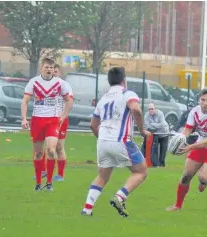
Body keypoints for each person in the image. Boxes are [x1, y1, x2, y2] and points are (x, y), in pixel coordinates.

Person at [81, 67, 151, 217]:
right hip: (121, 141)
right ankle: (120, 197)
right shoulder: (127, 93)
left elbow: (93, 125)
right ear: (124, 80)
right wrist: (142, 130)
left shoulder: (103, 98)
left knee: (102, 176)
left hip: (102, 142)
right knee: (141, 171)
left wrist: (103, 139)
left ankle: (87, 209)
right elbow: (136, 110)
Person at [166, 88, 207, 211]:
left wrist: (189, 147)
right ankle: (177, 206)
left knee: (203, 178)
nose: (205, 103)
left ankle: (203, 181)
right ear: (199, 100)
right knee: (185, 177)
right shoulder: (194, 111)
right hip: (200, 145)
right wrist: (181, 139)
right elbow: (187, 130)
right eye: (203, 100)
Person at [21, 58, 72, 191]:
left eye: (51, 67)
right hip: (37, 120)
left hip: (53, 121)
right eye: (47, 67)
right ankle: (38, 182)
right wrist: (24, 119)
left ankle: (49, 183)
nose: (49, 69)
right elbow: (25, 101)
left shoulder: (60, 83)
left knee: (51, 150)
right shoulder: (34, 82)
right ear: (41, 68)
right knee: (38, 153)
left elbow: (69, 100)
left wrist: (64, 114)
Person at [53, 64, 74, 181]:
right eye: (52, 71)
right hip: (48, 119)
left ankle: (60, 174)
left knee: (59, 147)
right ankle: (44, 171)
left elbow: (70, 102)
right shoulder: (47, 85)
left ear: (60, 73)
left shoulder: (65, 85)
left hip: (61, 120)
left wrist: (63, 115)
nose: (54, 73)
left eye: (56, 71)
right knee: (47, 146)